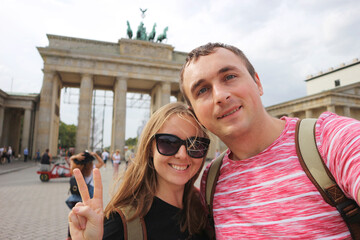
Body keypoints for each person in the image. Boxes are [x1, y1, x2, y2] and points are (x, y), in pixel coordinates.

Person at [179, 43, 360, 239]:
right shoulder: (211, 182)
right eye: (202, 90)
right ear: (194, 113)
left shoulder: (331, 139)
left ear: (257, 82)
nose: (220, 96)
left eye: (229, 77)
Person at [68, 102, 212, 240]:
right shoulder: (121, 224)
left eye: (195, 145)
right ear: (150, 148)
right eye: (168, 142)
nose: (182, 154)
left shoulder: (206, 211)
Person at [66, 151, 104, 239]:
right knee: (87, 217)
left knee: (74, 217)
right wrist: (95, 155)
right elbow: (102, 163)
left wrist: (76, 156)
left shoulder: (77, 169)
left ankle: (69, 236)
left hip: (76, 197)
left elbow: (71, 160)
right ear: (90, 162)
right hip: (89, 197)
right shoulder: (92, 168)